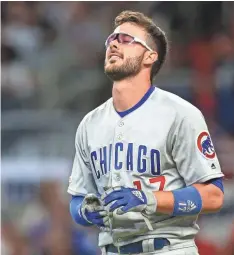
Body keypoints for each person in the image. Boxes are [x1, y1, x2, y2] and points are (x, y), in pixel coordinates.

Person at [68, 10, 224, 255]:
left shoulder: (180, 114)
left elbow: (213, 196)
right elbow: (77, 199)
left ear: (150, 56)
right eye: (112, 39)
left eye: (127, 39)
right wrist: (85, 212)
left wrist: (149, 199)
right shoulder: (90, 124)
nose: (115, 43)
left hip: (167, 247)